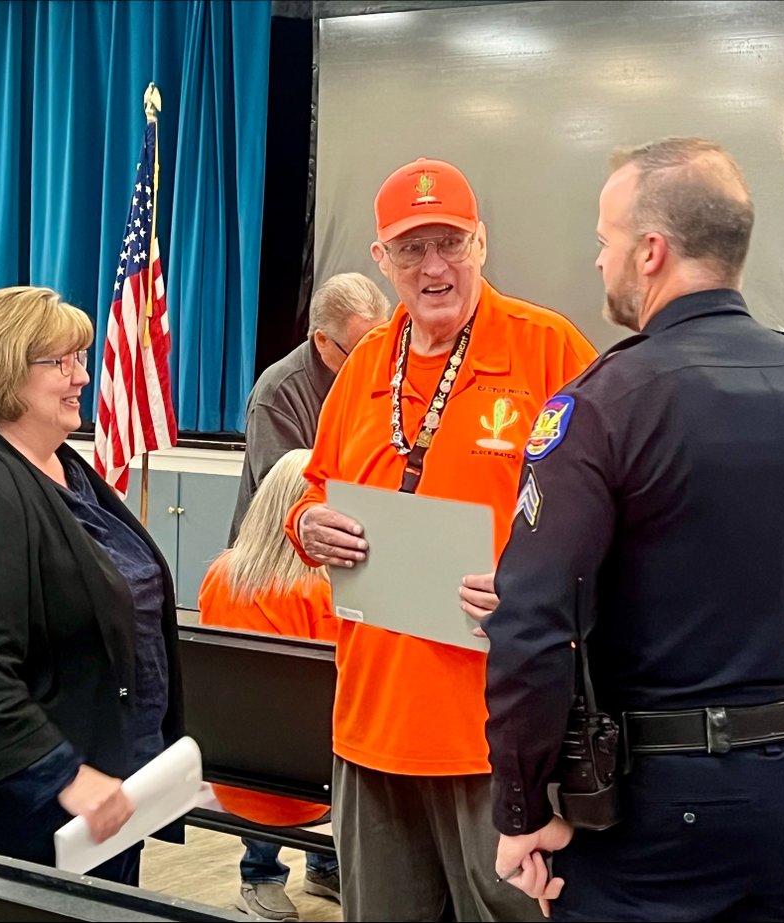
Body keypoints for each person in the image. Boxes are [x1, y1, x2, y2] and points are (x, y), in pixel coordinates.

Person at [484, 137, 784, 921]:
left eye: (604, 243)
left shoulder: (601, 408)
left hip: (647, 813)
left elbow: (533, 626)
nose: (598, 263)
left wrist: (520, 807)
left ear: (650, 251)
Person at [285, 156, 598, 921]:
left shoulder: (548, 351)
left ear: (482, 244)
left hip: (498, 734)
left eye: (450, 242)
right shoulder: (363, 365)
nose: (434, 266)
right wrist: (307, 525)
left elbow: (614, 516)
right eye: (413, 247)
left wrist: (538, 587)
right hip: (371, 727)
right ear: (381, 260)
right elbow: (316, 489)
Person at [0, 285, 184, 886]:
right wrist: (66, 776)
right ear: (0, 371)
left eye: (79, 358)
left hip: (98, 805)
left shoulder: (71, 471)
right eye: (59, 362)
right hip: (9, 816)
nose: (81, 376)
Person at [202, 449, 339, 923]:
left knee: (263, 719)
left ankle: (265, 874)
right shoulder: (326, 593)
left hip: (231, 763)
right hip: (313, 774)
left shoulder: (219, 575)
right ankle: (325, 862)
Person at [228, 273, 390, 545]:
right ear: (322, 340)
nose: (373, 362)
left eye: (381, 345)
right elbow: (283, 493)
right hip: (278, 559)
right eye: (360, 352)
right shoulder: (278, 391)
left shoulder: (388, 374)